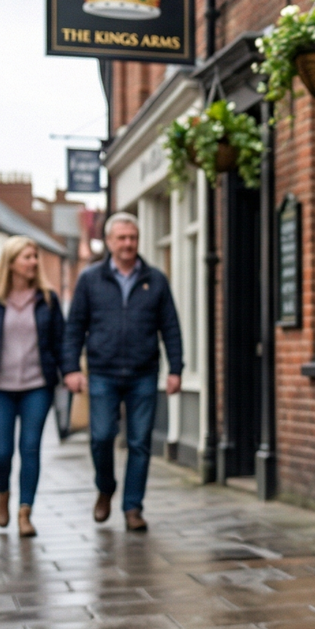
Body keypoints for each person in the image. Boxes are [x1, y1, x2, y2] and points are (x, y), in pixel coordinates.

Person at [61, 213, 182, 532]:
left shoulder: (155, 279)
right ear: (110, 241)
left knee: (140, 442)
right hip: (102, 372)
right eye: (122, 238)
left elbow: (170, 327)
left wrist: (176, 369)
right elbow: (75, 327)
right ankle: (105, 487)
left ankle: (133, 507)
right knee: (101, 437)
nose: (128, 243)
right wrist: (71, 367)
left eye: (133, 237)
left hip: (144, 372)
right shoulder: (90, 279)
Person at [0, 237, 65, 539]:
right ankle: (3, 494)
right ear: (11, 261)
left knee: (30, 447)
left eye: (35, 257)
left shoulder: (47, 298)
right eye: (27, 257)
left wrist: (69, 371)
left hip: (37, 386)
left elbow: (61, 341)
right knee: (2, 452)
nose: (33, 262)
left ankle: (25, 511)